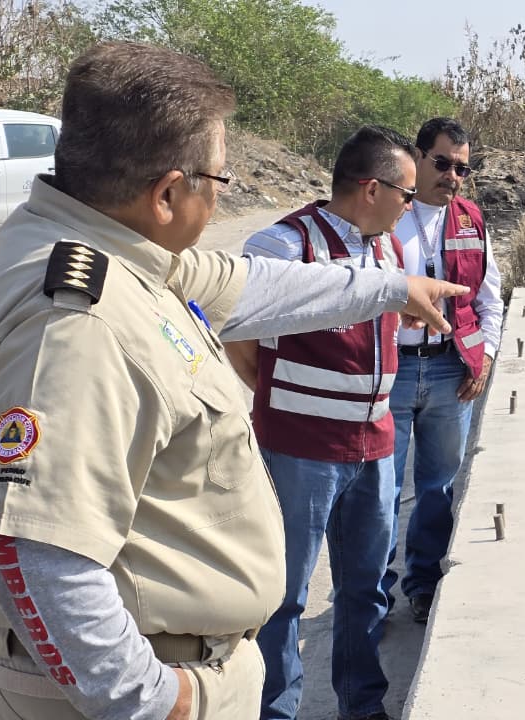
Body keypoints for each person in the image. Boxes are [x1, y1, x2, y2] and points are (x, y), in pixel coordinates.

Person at [0, 42, 465, 720]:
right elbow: (34, 555)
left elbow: (249, 286)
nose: (223, 200)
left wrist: (394, 287)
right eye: (220, 182)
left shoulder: (109, 247)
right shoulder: (78, 324)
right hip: (140, 685)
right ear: (166, 193)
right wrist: (163, 701)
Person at [228, 125, 416, 720]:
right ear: (371, 188)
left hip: (375, 448)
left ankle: (363, 707)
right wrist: (280, 394)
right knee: (283, 596)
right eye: (405, 194)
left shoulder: (387, 247)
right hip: (301, 449)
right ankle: (276, 711)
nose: (410, 206)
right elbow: (238, 331)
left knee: (364, 591)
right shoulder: (283, 245)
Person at [387, 118, 502, 623]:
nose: (452, 176)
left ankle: (424, 587)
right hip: (388, 372)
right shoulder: (387, 215)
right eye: (442, 163)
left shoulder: (472, 221)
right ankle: (372, 597)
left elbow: (489, 300)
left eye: (462, 168)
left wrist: (488, 356)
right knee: (379, 492)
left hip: (449, 374)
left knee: (436, 489)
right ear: (418, 158)